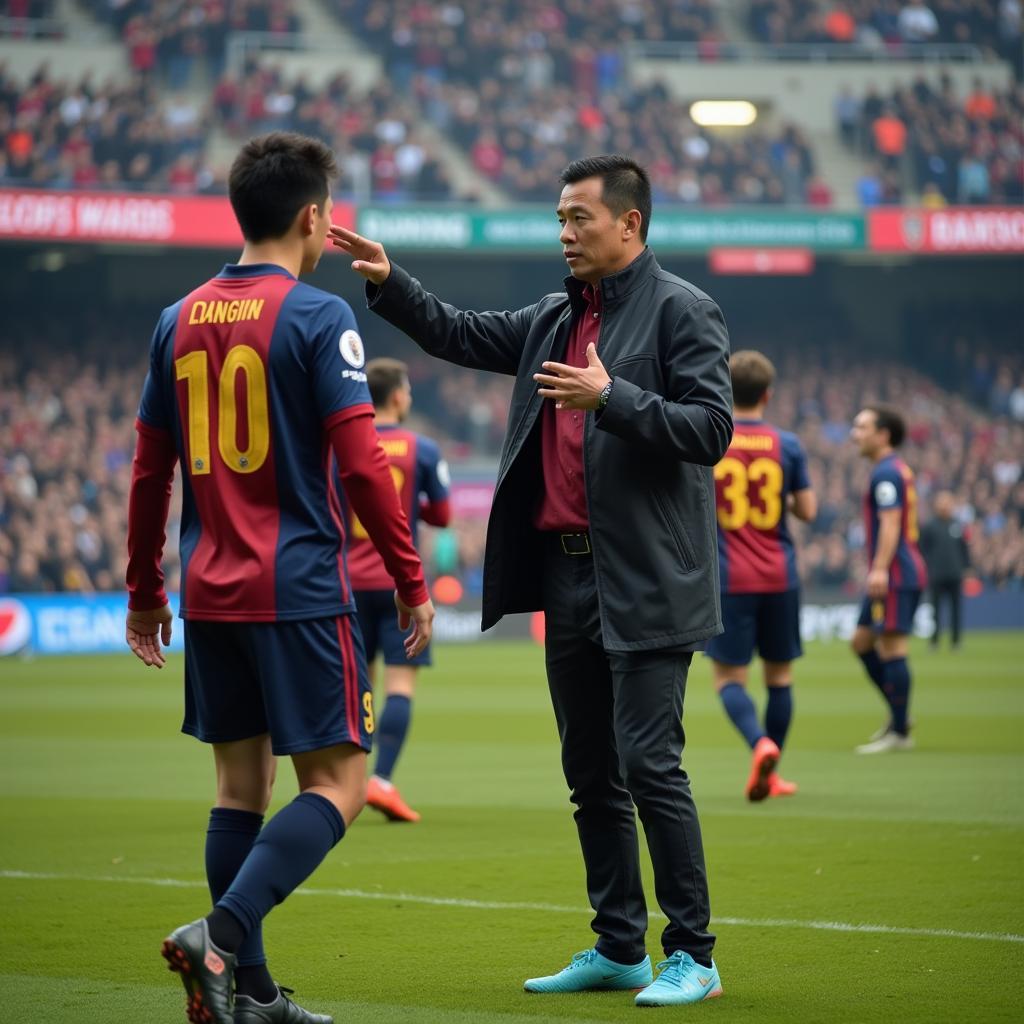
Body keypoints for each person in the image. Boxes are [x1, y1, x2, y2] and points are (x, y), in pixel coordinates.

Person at [331, 153, 732, 1008]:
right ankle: (619, 945)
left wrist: (613, 397)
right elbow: (460, 332)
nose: (564, 233)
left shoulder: (683, 310)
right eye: (558, 219)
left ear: (629, 223)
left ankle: (692, 953)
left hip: (652, 576)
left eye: (578, 218)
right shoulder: (555, 316)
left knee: (650, 764)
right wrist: (390, 280)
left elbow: (711, 429)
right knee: (590, 771)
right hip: (568, 576)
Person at [124, 132, 434, 1024]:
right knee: (337, 784)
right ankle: (219, 937)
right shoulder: (317, 316)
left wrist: (146, 591)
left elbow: (152, 471)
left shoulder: (174, 318)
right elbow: (365, 464)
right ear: (313, 217)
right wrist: (409, 580)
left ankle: (252, 996)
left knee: (237, 792)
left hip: (210, 591)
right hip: (297, 589)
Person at [706, 351, 816, 802]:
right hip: (780, 576)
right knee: (780, 680)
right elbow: (807, 511)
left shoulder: (712, 439)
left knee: (730, 681)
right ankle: (772, 773)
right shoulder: (787, 445)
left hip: (731, 578)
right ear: (768, 394)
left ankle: (760, 745)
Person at [348, 357, 451, 823]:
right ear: (396, 396)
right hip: (398, 585)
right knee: (400, 686)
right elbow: (445, 517)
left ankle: (342, 785)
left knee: (352, 686)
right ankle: (381, 780)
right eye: (407, 391)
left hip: (344, 583)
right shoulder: (422, 449)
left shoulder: (344, 445)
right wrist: (411, 510)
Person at [849, 404, 927, 755]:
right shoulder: (891, 469)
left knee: (892, 647)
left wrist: (879, 567)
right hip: (893, 570)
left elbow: (892, 522)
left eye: (862, 427)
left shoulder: (886, 474)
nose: (855, 434)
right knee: (861, 642)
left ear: (883, 435)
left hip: (896, 572)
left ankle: (899, 731)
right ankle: (900, 716)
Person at [919, 490, 970, 649]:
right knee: (935, 610)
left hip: (955, 574)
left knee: (956, 609)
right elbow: (922, 549)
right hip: (937, 574)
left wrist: (966, 567)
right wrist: (929, 566)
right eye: (942, 502)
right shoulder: (929, 526)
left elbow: (963, 549)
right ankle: (934, 641)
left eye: (948, 502)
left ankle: (956, 641)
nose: (945, 506)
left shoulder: (957, 524)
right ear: (936, 505)